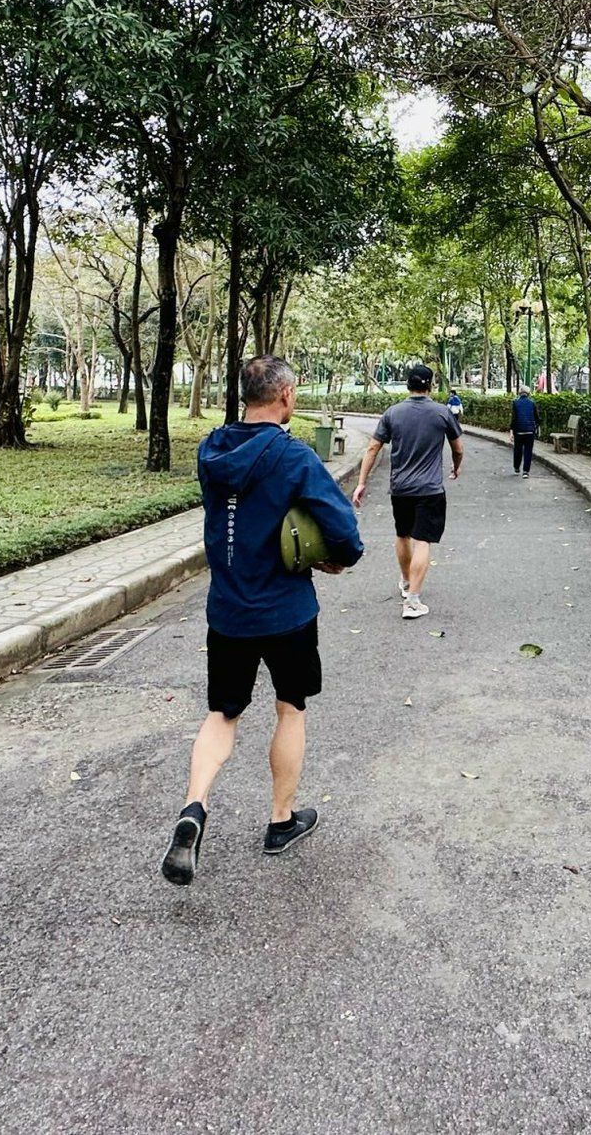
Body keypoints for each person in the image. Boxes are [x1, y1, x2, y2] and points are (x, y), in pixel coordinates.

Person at [161, 356, 363, 888]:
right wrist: (333, 558)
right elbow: (344, 530)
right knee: (290, 709)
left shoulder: (211, 450)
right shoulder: (294, 456)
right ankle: (280, 821)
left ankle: (194, 808)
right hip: (287, 611)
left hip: (227, 609)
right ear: (287, 396)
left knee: (222, 715)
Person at [354, 362, 462, 621]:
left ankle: (405, 582)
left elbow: (373, 448)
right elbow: (458, 448)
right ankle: (413, 601)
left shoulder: (393, 413)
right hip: (430, 489)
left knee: (403, 535)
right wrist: (456, 468)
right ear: (431, 385)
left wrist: (361, 482)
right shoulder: (442, 413)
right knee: (422, 540)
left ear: (407, 384)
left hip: (400, 488)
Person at [509, 384, 539, 479]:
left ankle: (517, 467)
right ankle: (526, 471)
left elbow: (514, 419)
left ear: (519, 392)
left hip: (519, 431)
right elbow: (537, 418)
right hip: (530, 431)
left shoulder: (515, 402)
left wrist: (511, 431)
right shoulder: (532, 403)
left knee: (517, 449)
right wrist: (536, 426)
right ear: (528, 393)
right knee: (528, 451)